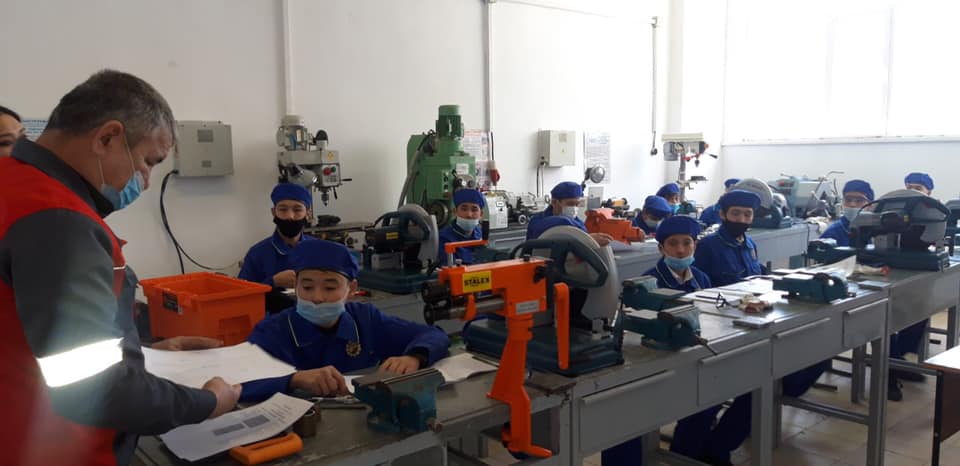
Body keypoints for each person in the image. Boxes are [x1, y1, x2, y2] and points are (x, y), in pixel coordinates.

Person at [0, 70, 239, 466]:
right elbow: (93, 388)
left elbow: (30, 332)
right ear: (107, 138)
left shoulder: (12, 184)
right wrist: (208, 401)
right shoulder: (59, 221)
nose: (145, 182)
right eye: (148, 161)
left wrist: (143, 352)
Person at [240, 240, 450, 401]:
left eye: (330, 288)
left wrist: (414, 357)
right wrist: (293, 380)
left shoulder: (365, 319)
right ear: (295, 286)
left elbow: (434, 335)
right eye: (307, 287)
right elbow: (238, 385)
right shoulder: (272, 331)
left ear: (352, 289)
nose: (317, 297)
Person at [239, 183, 317, 312]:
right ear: (273, 212)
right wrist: (273, 282)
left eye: (297, 210)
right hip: (272, 321)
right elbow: (241, 297)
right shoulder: (257, 254)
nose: (290, 216)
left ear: (308, 213)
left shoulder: (319, 250)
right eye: (283, 209)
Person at [693, 190, 764, 287]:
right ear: (722, 214)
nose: (741, 219)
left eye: (747, 215)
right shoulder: (707, 245)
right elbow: (699, 284)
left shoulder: (750, 244)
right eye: (735, 213)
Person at [526, 181, 614, 246]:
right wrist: (587, 239)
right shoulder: (538, 221)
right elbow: (559, 224)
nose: (574, 208)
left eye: (577, 204)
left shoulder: (578, 223)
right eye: (570, 204)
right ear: (554, 202)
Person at [820, 180, 873, 247]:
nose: (852, 204)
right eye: (848, 200)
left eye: (859, 200)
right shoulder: (833, 232)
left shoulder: (878, 230)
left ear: (870, 206)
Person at [438, 189, 484, 265]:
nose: (469, 215)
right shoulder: (444, 238)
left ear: (481, 214)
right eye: (464, 209)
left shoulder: (480, 234)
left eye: (474, 210)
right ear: (455, 211)